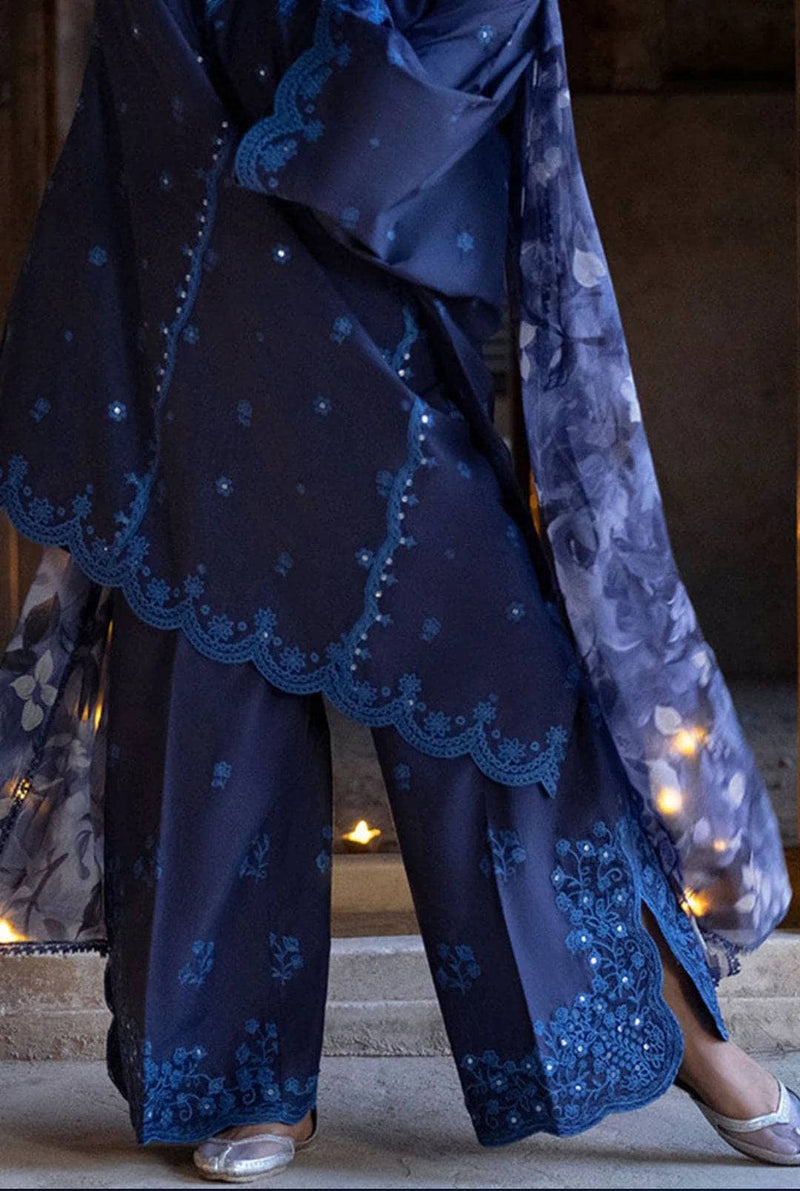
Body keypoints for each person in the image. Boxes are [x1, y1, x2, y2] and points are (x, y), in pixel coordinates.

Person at [0, 0, 796, 1181]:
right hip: (204, 317)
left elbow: (416, 100)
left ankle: (670, 1026)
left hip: (380, 337)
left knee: (507, 694)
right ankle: (240, 1078)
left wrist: (334, 110)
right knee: (204, 686)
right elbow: (148, 73)